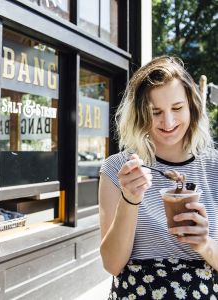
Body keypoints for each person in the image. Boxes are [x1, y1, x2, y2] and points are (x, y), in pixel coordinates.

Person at [99, 56, 218, 299]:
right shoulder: (117, 169)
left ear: (192, 106)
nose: (168, 122)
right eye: (155, 112)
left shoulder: (214, 166)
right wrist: (130, 199)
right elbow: (112, 264)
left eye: (176, 108)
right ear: (140, 114)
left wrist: (204, 244)